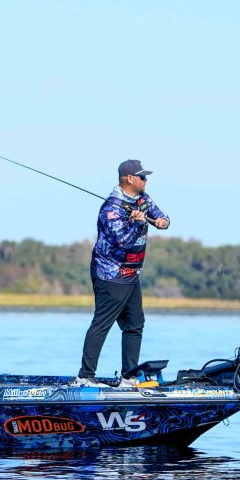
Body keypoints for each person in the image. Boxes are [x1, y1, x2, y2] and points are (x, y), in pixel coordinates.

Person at [74, 159, 170, 387]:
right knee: (102, 323)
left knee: (135, 325)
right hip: (111, 274)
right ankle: (85, 377)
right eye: (142, 177)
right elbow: (123, 242)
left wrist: (161, 221)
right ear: (129, 178)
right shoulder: (111, 209)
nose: (145, 180)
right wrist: (136, 224)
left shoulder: (143, 199)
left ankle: (129, 377)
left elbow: (163, 217)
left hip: (132, 273)